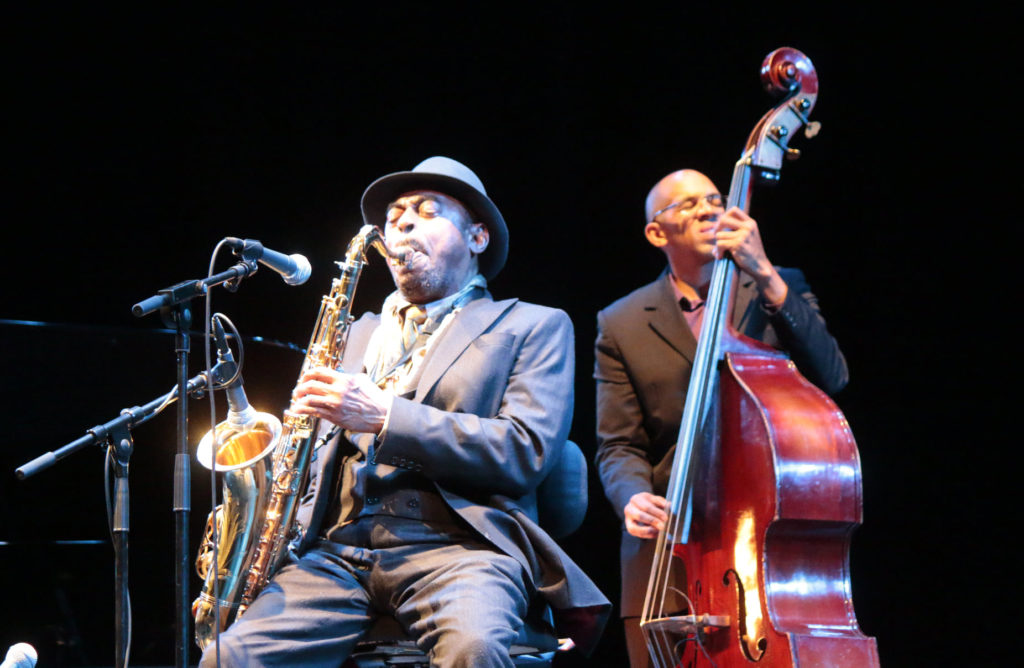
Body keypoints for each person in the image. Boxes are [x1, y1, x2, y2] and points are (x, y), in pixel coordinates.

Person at [201, 156, 609, 668]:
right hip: (336, 553)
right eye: (394, 216)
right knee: (228, 659)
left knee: (475, 650)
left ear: (477, 238)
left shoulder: (533, 325)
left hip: (461, 550)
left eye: (426, 210)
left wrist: (386, 416)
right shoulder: (353, 334)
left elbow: (524, 451)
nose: (403, 223)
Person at [593, 168, 849, 667]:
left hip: (767, 551)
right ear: (656, 233)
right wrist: (631, 496)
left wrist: (766, 273)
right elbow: (618, 444)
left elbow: (831, 376)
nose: (709, 208)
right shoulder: (620, 321)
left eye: (714, 198)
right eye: (687, 205)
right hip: (669, 549)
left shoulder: (778, 289)